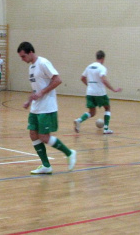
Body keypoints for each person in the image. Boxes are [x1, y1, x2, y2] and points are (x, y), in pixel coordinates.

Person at [17, 41, 76, 174]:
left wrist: (42, 92)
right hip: (36, 107)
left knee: (44, 137)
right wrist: (29, 101)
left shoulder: (43, 63)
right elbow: (36, 90)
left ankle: (69, 153)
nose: (22, 59)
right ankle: (46, 165)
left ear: (30, 52)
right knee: (33, 134)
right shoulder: (31, 67)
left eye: (23, 56)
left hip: (47, 107)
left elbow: (57, 80)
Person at [73, 50, 122, 134]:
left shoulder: (89, 66)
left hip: (89, 92)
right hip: (100, 92)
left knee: (92, 112)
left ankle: (79, 120)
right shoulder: (102, 68)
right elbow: (104, 79)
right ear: (103, 58)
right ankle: (106, 129)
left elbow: (82, 78)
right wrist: (113, 89)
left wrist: (89, 86)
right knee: (107, 108)